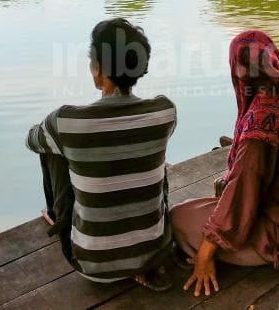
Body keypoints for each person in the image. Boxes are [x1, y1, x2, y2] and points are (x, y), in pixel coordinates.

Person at [171, 30, 279, 297]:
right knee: (215, 197)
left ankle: (229, 253)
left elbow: (242, 192)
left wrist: (206, 252)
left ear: (238, 73)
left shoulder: (261, 126)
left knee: (179, 218)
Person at [25, 18, 176, 291]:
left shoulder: (66, 121)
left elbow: (31, 140)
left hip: (92, 264)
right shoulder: (164, 111)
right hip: (154, 251)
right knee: (148, 147)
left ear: (100, 70)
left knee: (52, 149)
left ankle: (58, 217)